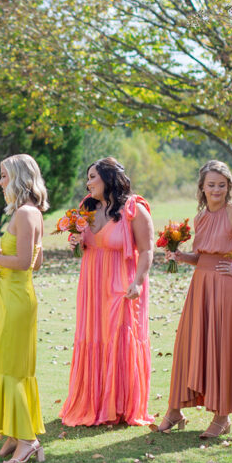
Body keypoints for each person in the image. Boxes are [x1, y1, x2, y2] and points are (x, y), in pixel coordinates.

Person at [155, 161, 232, 438]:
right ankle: (176, 410)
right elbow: (203, 256)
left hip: (227, 288)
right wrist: (182, 257)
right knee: (190, 345)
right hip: (201, 287)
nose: (216, 189)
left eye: (222, 185)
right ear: (202, 187)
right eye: (211, 185)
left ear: (229, 187)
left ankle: (222, 417)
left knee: (222, 349)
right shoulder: (200, 217)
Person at [60, 157, 155, 427]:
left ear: (108, 178)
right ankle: (93, 401)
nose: (88, 183)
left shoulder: (133, 209)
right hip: (92, 283)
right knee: (94, 335)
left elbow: (147, 250)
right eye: (88, 178)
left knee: (119, 336)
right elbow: (82, 244)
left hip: (122, 283)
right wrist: (76, 241)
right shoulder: (86, 208)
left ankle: (121, 406)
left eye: (93, 177)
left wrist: (138, 282)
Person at [0, 154, 48, 463]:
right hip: (11, 295)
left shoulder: (27, 214)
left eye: (4, 176)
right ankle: (14, 434)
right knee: (6, 364)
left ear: (18, 179)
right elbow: (37, 260)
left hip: (17, 299)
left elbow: (24, 262)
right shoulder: (26, 213)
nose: (0, 182)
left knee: (12, 369)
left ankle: (28, 440)